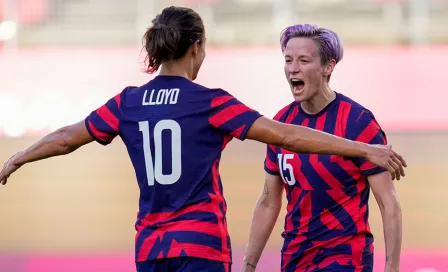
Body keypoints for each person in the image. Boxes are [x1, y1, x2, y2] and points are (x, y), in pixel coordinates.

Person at [0, 8, 406, 272]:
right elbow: (285, 137)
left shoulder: (128, 102)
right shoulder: (210, 103)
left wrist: (20, 156)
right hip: (200, 246)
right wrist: (363, 149)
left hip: (150, 250)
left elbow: (67, 137)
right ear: (196, 48)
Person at [241, 24, 403, 272]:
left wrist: (391, 268)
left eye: (304, 60)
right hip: (295, 258)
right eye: (288, 60)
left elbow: (388, 202)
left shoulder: (358, 121)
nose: (293, 68)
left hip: (346, 258)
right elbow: (268, 202)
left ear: (328, 66)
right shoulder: (281, 124)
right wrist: (248, 266)